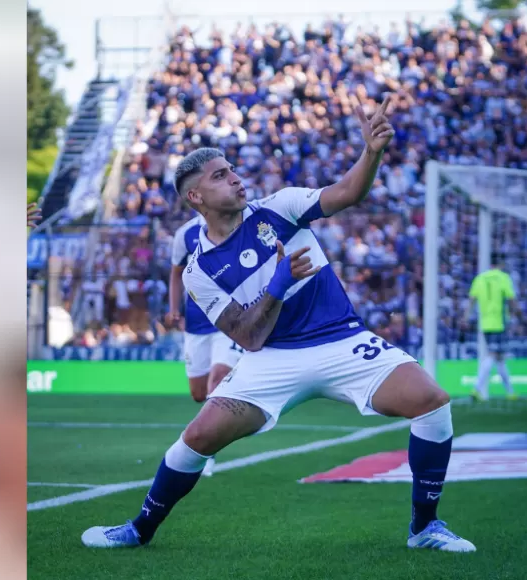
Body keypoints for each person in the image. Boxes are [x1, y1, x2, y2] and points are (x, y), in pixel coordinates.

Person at [82, 95, 475, 552]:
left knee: (431, 400)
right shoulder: (198, 271)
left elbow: (347, 193)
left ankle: (424, 527)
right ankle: (138, 529)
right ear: (196, 197)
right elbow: (247, 336)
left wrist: (372, 152)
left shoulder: (280, 207)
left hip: (341, 341)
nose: (234, 178)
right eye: (220, 176)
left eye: (232, 169)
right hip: (272, 357)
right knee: (198, 436)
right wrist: (278, 282)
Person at [168, 213, 245, 475]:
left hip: (230, 319)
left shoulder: (237, 222)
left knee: (218, 379)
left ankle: (206, 451)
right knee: (199, 393)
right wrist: (174, 308)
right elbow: (176, 273)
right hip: (196, 322)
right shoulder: (185, 234)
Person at [462, 257, 522, 401]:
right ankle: (476, 389)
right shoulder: (503, 278)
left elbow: (471, 300)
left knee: (500, 358)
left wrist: (465, 317)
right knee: (493, 355)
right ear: (501, 264)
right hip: (499, 323)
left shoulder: (480, 278)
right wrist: (519, 314)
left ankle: (510, 392)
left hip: (485, 323)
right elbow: (511, 299)